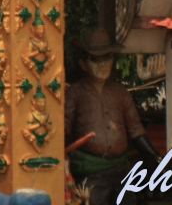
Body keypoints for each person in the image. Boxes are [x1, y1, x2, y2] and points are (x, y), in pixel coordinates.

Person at [64, 28, 162, 205]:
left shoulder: (120, 93)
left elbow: (135, 129)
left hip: (121, 170)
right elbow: (64, 129)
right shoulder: (75, 93)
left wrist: (153, 155)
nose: (102, 64)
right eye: (95, 59)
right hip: (90, 172)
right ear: (83, 63)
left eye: (107, 57)